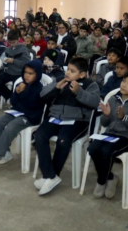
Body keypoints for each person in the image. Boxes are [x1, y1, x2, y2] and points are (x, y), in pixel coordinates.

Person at [34, 57, 100, 195]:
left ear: (82, 74)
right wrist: (56, 87)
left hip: (77, 121)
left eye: (72, 71)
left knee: (63, 141)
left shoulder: (90, 85)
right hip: (55, 118)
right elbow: (42, 95)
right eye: (68, 69)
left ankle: (52, 175)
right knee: (39, 135)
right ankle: (50, 176)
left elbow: (94, 103)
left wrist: (79, 92)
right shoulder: (60, 81)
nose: (68, 73)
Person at [88, 69, 128, 199]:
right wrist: (107, 115)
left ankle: (101, 181)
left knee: (106, 151)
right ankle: (110, 177)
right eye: (124, 81)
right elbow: (104, 124)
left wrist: (124, 118)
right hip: (110, 133)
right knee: (93, 148)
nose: (124, 85)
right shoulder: (114, 99)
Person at [0, 60, 45, 168]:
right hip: (17, 112)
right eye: (25, 72)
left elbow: (32, 105)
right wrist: (17, 92)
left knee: (11, 127)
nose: (27, 75)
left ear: (37, 74)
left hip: (30, 116)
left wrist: (23, 93)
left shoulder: (39, 88)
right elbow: (13, 102)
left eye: (30, 73)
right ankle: (6, 153)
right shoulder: (20, 84)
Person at [0, 30, 30, 100]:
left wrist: (13, 61)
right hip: (9, 72)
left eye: (13, 42)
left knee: (17, 87)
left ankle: (14, 98)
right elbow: (5, 63)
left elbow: (26, 63)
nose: (11, 44)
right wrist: (4, 62)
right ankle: (10, 97)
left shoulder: (24, 50)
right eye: (10, 42)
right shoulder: (8, 49)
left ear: (18, 39)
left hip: (19, 73)